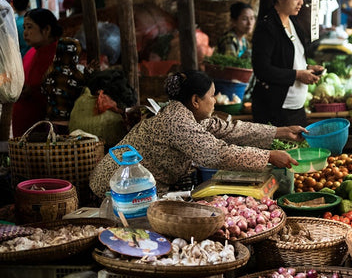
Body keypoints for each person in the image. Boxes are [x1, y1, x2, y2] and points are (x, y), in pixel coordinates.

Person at [88, 70, 306, 196]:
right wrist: (268, 156)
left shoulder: (190, 115)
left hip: (136, 184)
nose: (214, 99)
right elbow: (216, 154)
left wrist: (282, 132)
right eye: (211, 95)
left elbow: (231, 129)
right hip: (115, 185)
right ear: (195, 100)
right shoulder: (177, 122)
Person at [250, 0, 325, 127]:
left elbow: (288, 59)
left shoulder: (293, 22)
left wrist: (307, 68)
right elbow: (262, 69)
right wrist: (297, 74)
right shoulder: (267, 27)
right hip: (275, 109)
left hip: (296, 108)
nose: (301, 3)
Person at [11, 8, 87, 136]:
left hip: (45, 130)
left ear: (46, 30)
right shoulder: (31, 53)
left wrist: (34, 91)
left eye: (30, 27)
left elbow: (63, 88)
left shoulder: (60, 55)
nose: (25, 33)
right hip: (25, 129)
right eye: (24, 28)